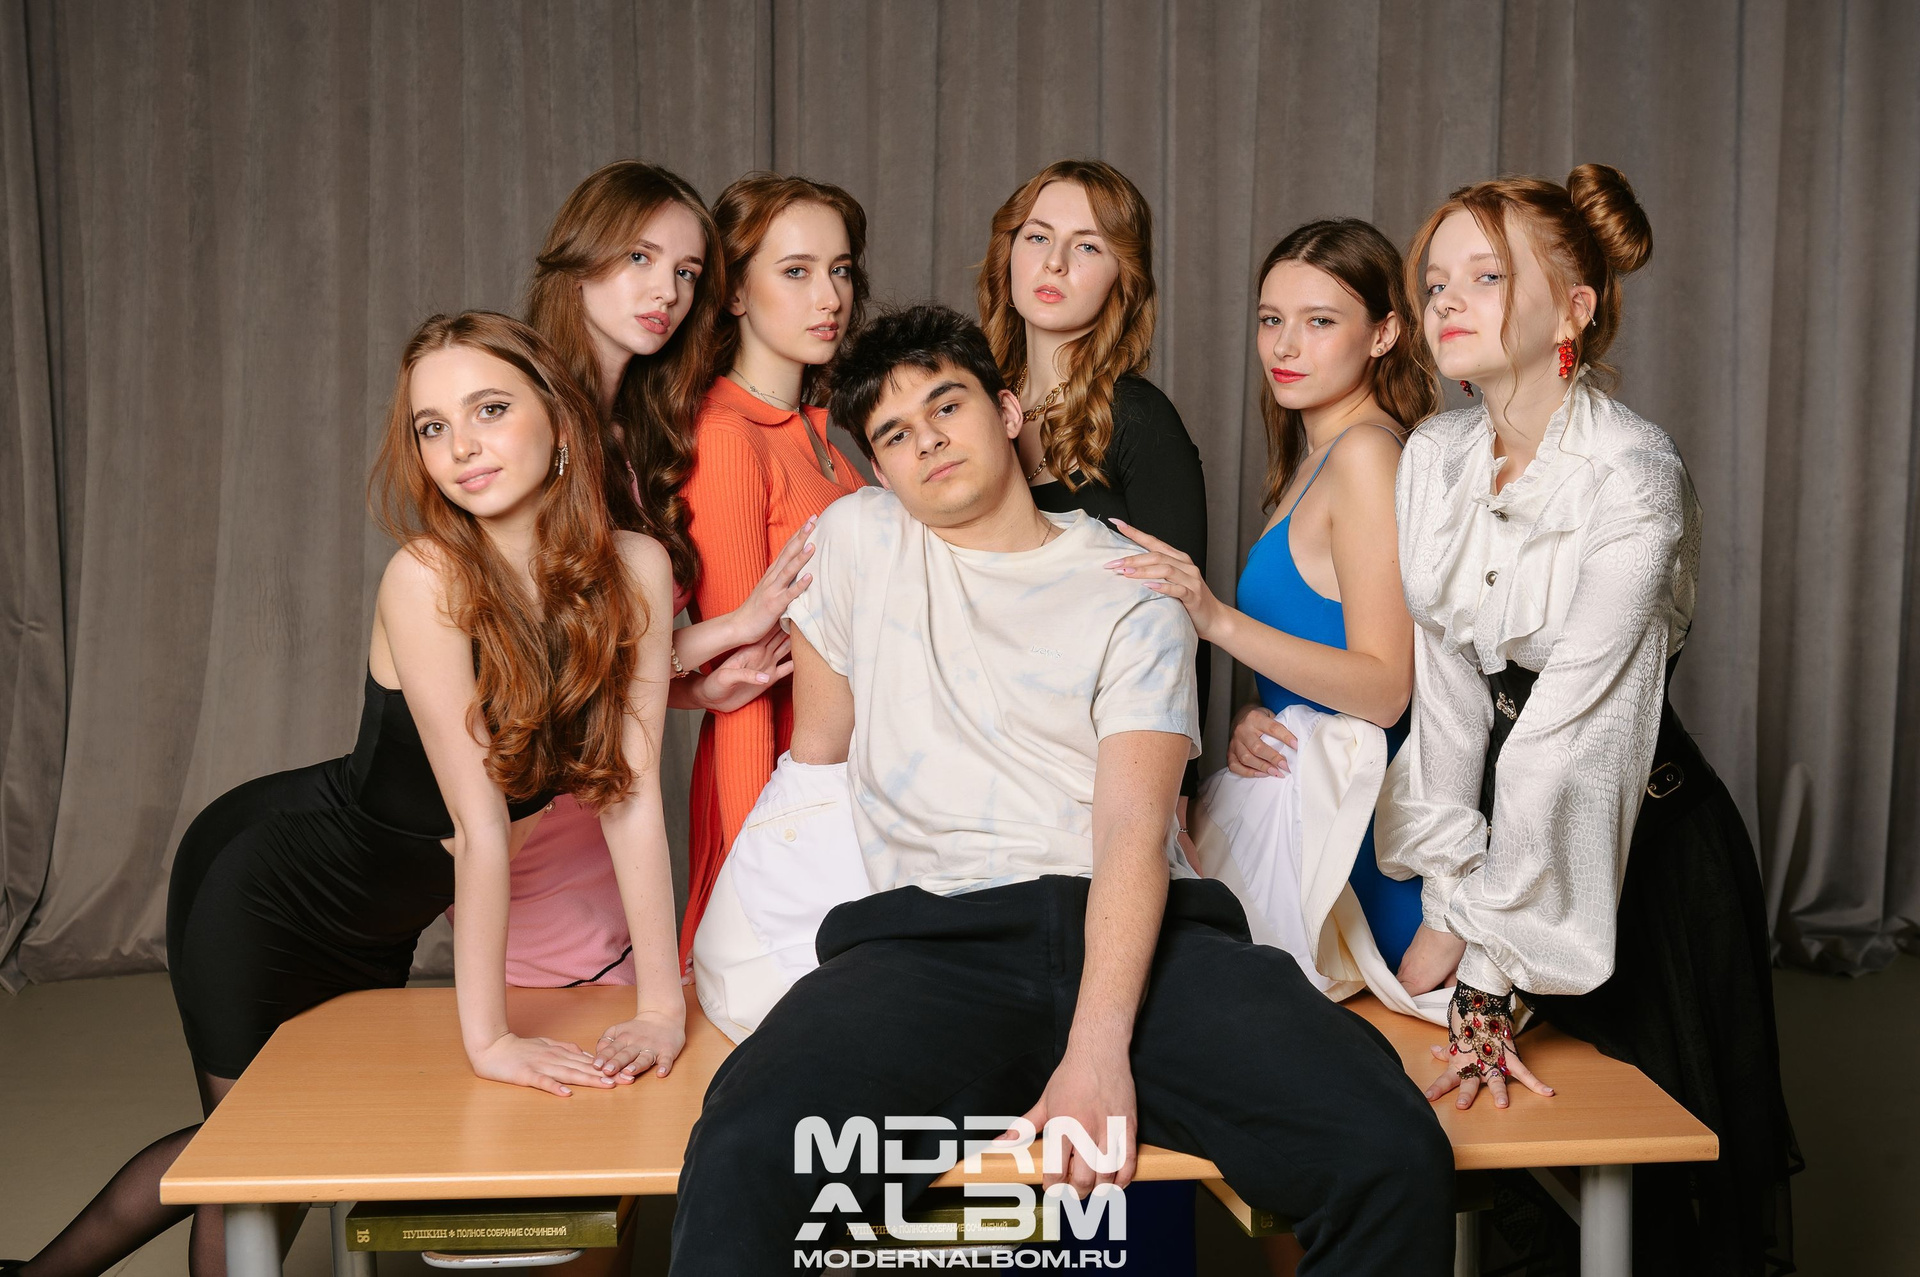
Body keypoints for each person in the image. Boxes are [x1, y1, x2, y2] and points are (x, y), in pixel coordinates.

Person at [668, 304, 1453, 1276]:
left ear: (1008, 412)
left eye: (946, 406)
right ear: (880, 470)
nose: (928, 442)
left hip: (1140, 933)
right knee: (741, 1149)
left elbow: (1132, 826)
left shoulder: (1130, 578)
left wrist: (1095, 1050)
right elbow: (819, 768)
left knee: (1390, 1148)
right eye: (896, 436)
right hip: (928, 943)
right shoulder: (856, 539)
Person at [7, 313, 685, 1276]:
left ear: (560, 419)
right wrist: (490, 1040)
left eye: (490, 409)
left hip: (385, 915)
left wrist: (659, 1006)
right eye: (432, 426)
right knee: (250, 1161)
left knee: (298, 1142)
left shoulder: (638, 570)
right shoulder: (429, 577)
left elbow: (631, 796)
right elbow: (479, 829)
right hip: (274, 887)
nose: (461, 446)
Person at [1376, 165, 1798, 1273]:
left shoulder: (1633, 473)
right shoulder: (1434, 456)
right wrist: (1445, 891)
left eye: (1486, 276)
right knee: (1499, 1176)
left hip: (1645, 855)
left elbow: (1570, 741)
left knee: (1647, 1208)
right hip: (1510, 852)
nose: (1446, 301)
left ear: (1573, 309)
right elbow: (1449, 695)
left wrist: (1486, 958)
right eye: (1435, 281)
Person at [510, 159, 808, 989]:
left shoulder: (636, 435)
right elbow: (545, 658)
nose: (666, 291)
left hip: (602, 811)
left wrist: (694, 688)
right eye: (640, 257)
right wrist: (732, 628)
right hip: (531, 808)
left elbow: (612, 659)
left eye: (686, 271)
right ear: (580, 258)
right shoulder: (528, 422)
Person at [1113, 218, 1431, 971]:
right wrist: (1257, 718)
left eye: (1319, 322)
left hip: (1359, 853)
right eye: (1270, 320)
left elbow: (1386, 688)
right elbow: (1314, 648)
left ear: (1383, 334)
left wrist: (1216, 619)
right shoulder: (1314, 458)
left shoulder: (1366, 454)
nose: (1285, 346)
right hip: (1310, 814)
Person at [977, 158, 1210, 810]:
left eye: (1087, 246)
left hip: (1106, 773)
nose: (1053, 262)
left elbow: (1183, 622)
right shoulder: (968, 410)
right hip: (987, 760)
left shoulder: (1139, 419)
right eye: (1037, 237)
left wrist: (1175, 807)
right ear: (1008, 254)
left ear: (1121, 281)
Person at [677, 172, 869, 961]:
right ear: (733, 292)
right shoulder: (728, 435)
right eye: (796, 271)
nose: (829, 296)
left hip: (845, 780)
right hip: (773, 784)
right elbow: (744, 678)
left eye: (840, 269)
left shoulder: (823, 437)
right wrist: (758, 856)